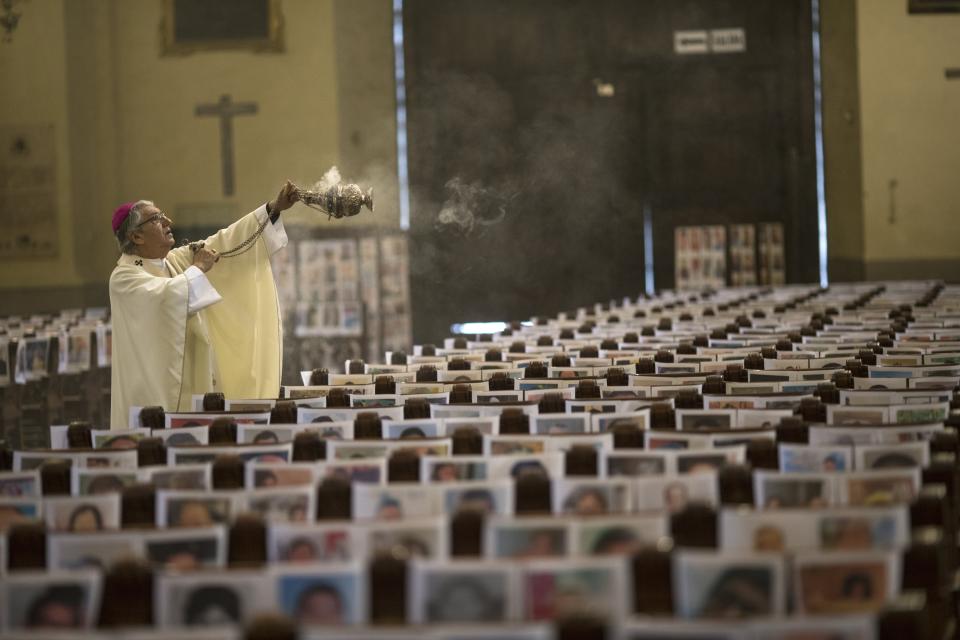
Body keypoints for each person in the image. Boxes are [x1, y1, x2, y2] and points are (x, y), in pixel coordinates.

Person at [108, 183, 298, 428]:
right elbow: (165, 299)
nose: (168, 220)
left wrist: (273, 209)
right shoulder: (123, 278)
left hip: (195, 382)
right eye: (156, 218)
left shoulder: (173, 261)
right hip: (154, 393)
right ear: (136, 236)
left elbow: (225, 242)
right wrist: (198, 269)